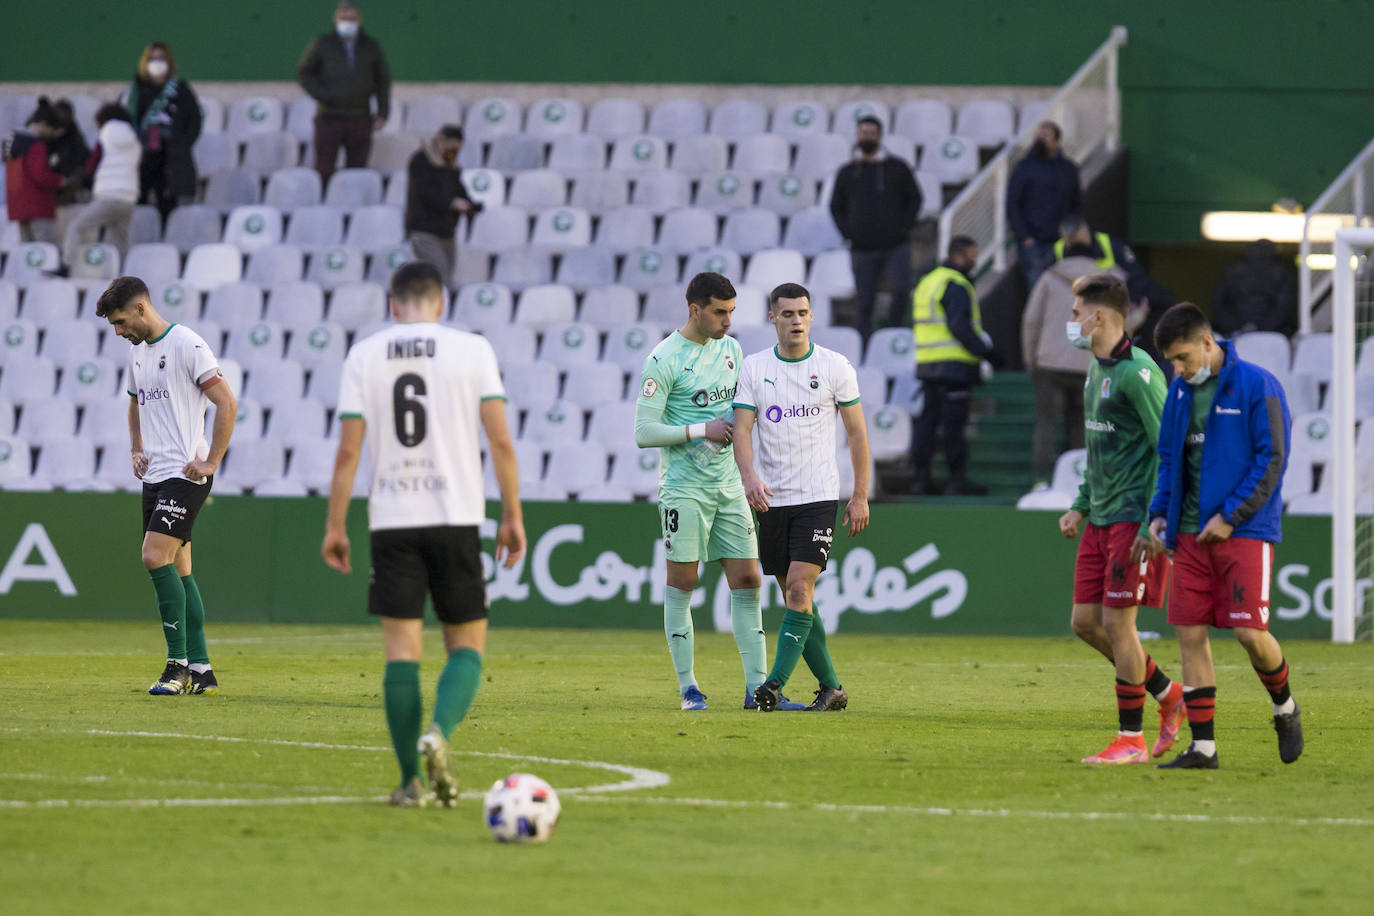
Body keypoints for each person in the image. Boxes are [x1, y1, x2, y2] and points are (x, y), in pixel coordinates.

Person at [322, 261, 525, 808]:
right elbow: (501, 442)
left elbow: (347, 450)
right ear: (439, 303)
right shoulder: (472, 349)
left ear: (393, 304)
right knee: (466, 646)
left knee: (400, 653)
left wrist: (336, 524)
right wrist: (512, 513)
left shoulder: (364, 355)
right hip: (456, 515)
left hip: (392, 519)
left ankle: (410, 781)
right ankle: (439, 731)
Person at [1135, 302, 1302, 769]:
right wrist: (1158, 513)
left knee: (1250, 633)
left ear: (1208, 343)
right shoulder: (1179, 393)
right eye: (1172, 361)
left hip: (1244, 531)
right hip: (1187, 536)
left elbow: (1272, 458)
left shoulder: (1257, 385)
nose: (1178, 368)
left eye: (1183, 357)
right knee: (1189, 634)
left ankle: (1285, 707)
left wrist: (1231, 515)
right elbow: (1169, 459)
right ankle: (1203, 747)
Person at [1055, 274, 1185, 764]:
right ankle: (1169, 695)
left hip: (1133, 520)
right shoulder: (1096, 369)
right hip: (1101, 518)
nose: (1070, 322)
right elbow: (1099, 448)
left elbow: (1167, 449)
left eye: (1074, 313)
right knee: (1085, 622)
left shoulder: (1139, 374)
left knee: (1120, 625)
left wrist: (1156, 520)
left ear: (1099, 316)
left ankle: (1130, 740)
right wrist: (1080, 504)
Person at [634, 272, 772, 711]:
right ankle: (689, 687)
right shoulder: (664, 358)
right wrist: (702, 430)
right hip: (684, 488)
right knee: (684, 580)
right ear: (695, 309)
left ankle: (758, 689)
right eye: (720, 312)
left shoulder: (731, 350)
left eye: (732, 312)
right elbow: (644, 432)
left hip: (728, 483)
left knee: (749, 579)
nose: (728, 321)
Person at [96, 276, 237, 696]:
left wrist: (211, 460)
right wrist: (136, 447)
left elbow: (226, 402)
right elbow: (135, 402)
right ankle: (203, 670)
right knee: (180, 569)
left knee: (153, 556)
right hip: (155, 475)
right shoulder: (137, 355)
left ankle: (176, 667)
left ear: (141, 308)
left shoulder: (187, 345)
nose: (118, 332)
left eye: (120, 321)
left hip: (185, 474)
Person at [733, 282, 869, 713]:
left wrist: (860, 495)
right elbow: (741, 429)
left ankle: (773, 683)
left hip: (817, 497)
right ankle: (832, 687)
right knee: (799, 601)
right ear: (772, 318)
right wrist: (749, 477)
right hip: (770, 499)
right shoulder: (754, 368)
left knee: (797, 588)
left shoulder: (834, 367)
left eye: (802, 313)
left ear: (811, 317)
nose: (796, 320)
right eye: (787, 314)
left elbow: (857, 434)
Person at [1021, 227, 1127, 487]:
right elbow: (1121, 324)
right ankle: (1080, 482)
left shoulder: (1048, 277)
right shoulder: (1111, 281)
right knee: (1084, 425)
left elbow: (1031, 320)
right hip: (1090, 364)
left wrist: (1029, 356)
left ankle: (1042, 481)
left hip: (1049, 361)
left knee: (1046, 423)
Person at [910, 235, 1000, 495]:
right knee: (953, 426)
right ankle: (956, 480)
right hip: (954, 367)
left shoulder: (928, 282)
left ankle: (921, 479)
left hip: (927, 365)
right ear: (958, 255)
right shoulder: (956, 284)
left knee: (927, 422)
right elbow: (959, 326)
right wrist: (986, 352)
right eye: (971, 256)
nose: (974, 262)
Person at [827, 115, 921, 339]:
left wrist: (903, 228)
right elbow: (835, 206)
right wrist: (848, 233)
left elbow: (915, 199)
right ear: (857, 135)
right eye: (863, 133)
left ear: (879, 136)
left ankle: (891, 336)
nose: (867, 137)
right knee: (864, 300)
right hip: (861, 248)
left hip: (895, 246)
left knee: (900, 292)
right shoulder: (848, 171)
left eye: (871, 133)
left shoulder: (897, 167)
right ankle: (865, 345)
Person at [297, 0, 392, 186]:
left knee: (357, 171)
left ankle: (354, 208)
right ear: (336, 19)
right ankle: (322, 207)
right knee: (324, 168)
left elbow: (383, 80)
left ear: (359, 20)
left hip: (360, 117)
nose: (348, 22)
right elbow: (304, 73)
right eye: (343, 18)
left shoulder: (371, 46)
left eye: (352, 18)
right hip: (329, 116)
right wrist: (323, 94)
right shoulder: (322, 44)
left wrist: (383, 112)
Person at [127, 42, 203, 221]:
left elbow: (194, 120)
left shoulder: (179, 89)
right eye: (152, 59)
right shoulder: (135, 91)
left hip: (173, 159)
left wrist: (182, 144)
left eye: (161, 59)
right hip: (144, 158)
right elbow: (128, 119)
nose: (157, 63)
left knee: (169, 209)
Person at [61, 104, 141, 268]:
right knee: (120, 240)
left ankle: (66, 266)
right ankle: (123, 276)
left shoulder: (106, 135)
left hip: (108, 195)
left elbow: (91, 165)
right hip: (128, 198)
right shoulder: (135, 140)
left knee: (76, 227)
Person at [1008, 121, 1081, 292]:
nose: (1040, 140)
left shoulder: (1068, 169)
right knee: (1037, 290)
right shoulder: (1024, 167)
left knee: (1063, 288)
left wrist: (1071, 232)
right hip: (1033, 242)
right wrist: (1025, 237)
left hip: (1061, 241)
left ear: (1057, 141)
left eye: (1046, 136)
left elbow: (1076, 203)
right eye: (1038, 136)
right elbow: (1013, 204)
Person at [404, 125, 479, 282]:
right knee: (439, 275)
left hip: (446, 231)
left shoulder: (451, 165)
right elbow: (425, 192)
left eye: (457, 149)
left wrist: (469, 205)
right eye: (451, 148)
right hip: (424, 229)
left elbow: (458, 188)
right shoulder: (421, 161)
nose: (454, 153)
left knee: (445, 278)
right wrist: (452, 203)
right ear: (440, 142)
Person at [4, 98, 67, 242]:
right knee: (41, 253)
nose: (51, 133)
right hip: (37, 205)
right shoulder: (36, 145)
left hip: (17, 206)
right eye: (52, 128)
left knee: (26, 254)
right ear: (44, 124)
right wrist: (59, 180)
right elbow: (40, 175)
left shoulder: (12, 141)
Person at [1211, 239, 1298, 337]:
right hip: (1271, 334)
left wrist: (1238, 326)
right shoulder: (1281, 271)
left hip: (1238, 331)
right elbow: (1284, 305)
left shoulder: (1233, 270)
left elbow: (1218, 300)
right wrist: (1260, 327)